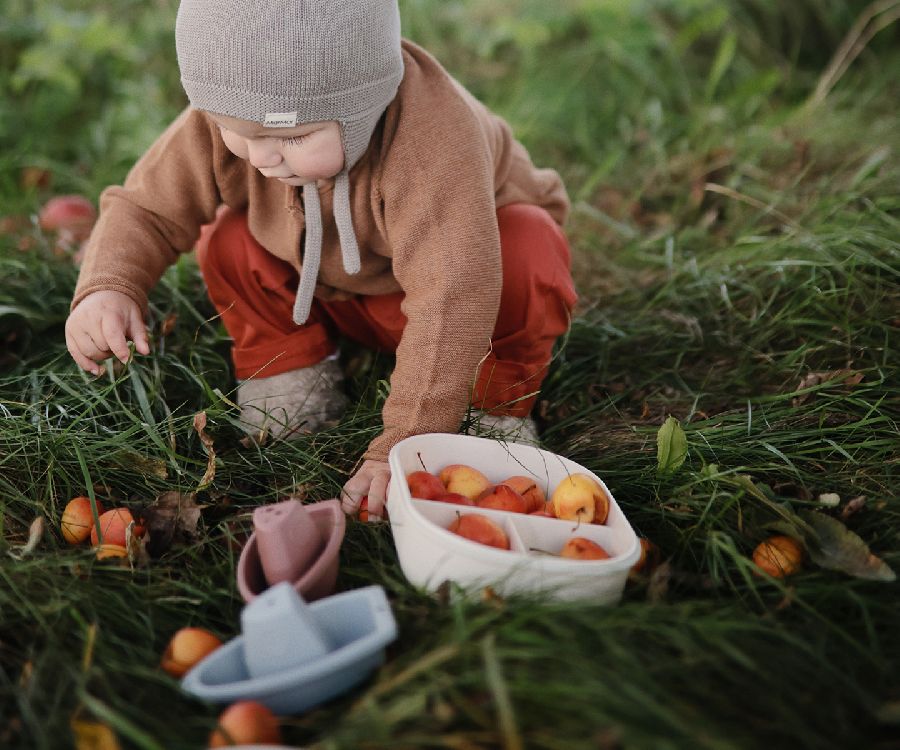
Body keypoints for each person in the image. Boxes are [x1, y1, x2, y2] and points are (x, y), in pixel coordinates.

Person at [65, 0, 577, 518]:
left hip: (465, 306)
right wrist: (110, 286)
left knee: (528, 248)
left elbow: (455, 291)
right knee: (227, 241)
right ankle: (290, 369)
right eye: (237, 132)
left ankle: (486, 403)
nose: (262, 156)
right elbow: (148, 206)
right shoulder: (239, 114)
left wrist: (405, 447)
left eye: (292, 137)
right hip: (332, 289)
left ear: (361, 111)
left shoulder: (432, 139)